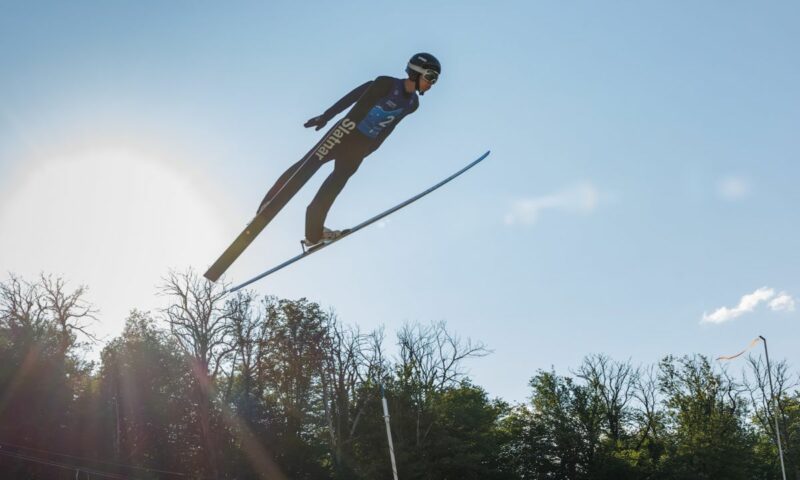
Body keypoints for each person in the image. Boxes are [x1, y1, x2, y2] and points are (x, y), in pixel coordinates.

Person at [257, 52, 441, 248]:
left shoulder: (413, 104)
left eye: (434, 80)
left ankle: (313, 233)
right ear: (416, 71)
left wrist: (372, 148)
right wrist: (326, 116)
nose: (431, 83)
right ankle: (268, 204)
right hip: (346, 132)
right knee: (308, 164)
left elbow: (390, 127)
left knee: (335, 184)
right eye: (430, 77)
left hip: (362, 145)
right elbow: (353, 97)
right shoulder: (386, 83)